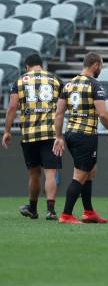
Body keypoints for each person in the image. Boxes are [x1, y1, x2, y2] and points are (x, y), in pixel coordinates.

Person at [52, 53, 108, 224]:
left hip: (71, 134)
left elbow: (59, 114)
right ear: (95, 65)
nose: (100, 69)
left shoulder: (68, 85)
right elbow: (103, 114)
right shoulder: (95, 85)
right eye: (100, 66)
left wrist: (58, 136)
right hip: (86, 135)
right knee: (80, 176)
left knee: (89, 172)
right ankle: (66, 214)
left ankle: (89, 212)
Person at [2, 54, 62, 220]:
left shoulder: (21, 80)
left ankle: (33, 209)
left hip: (29, 135)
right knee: (51, 173)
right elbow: (62, 107)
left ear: (27, 66)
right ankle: (50, 210)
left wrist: (7, 131)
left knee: (34, 173)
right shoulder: (55, 79)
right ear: (40, 65)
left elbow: (13, 106)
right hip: (50, 133)